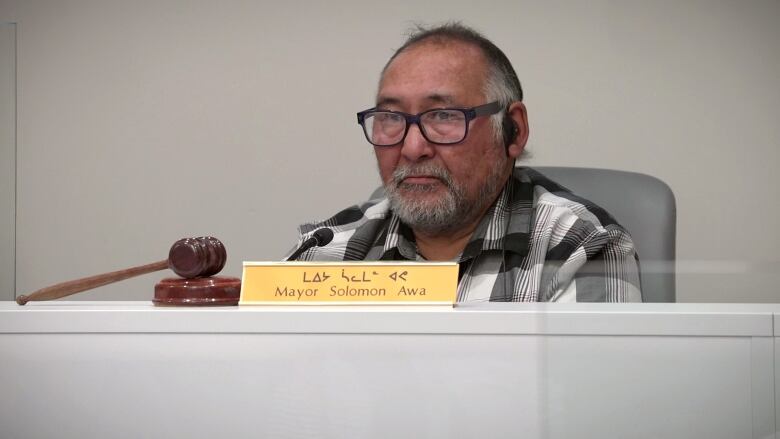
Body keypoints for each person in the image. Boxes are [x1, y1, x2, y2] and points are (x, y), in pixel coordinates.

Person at [289, 23, 642, 302]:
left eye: (443, 116)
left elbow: (585, 393)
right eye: (391, 117)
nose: (413, 148)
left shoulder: (579, 248)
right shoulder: (325, 253)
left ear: (513, 130)